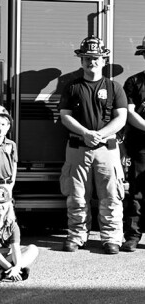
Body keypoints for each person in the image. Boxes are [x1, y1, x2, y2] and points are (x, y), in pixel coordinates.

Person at [58, 36, 128, 254]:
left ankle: (111, 238)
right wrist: (86, 133)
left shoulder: (114, 87)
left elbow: (121, 118)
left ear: (103, 60)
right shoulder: (72, 87)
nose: (91, 62)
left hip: (107, 149)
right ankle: (77, 236)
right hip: (78, 148)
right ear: (81, 61)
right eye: (87, 58)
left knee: (111, 196)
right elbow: (64, 116)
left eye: (96, 58)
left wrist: (99, 134)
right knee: (77, 196)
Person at [121, 36, 145, 252]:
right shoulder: (134, 82)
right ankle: (133, 235)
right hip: (140, 146)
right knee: (136, 192)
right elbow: (129, 113)